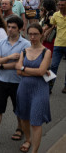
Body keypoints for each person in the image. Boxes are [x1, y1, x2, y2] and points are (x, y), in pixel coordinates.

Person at [0, 16, 30, 148]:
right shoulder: (2, 42)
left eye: (13, 27)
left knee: (18, 109)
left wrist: (3, 64)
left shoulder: (26, 44)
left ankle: (20, 129)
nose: (10, 30)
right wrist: (8, 58)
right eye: (8, 27)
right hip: (1, 80)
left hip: (18, 81)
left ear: (20, 29)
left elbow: (20, 64)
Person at [15, 23, 51, 153]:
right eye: (30, 34)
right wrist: (30, 70)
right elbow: (17, 71)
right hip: (24, 88)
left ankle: (34, 150)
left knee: (36, 121)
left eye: (35, 34)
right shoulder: (24, 51)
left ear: (41, 34)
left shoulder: (46, 52)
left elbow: (41, 72)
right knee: (24, 117)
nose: (32, 37)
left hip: (40, 89)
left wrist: (24, 68)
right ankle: (28, 139)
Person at [49, 0, 66, 93]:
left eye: (63, 5)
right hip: (58, 44)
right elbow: (52, 25)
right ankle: (48, 87)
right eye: (59, 5)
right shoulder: (56, 15)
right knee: (53, 66)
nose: (60, 7)